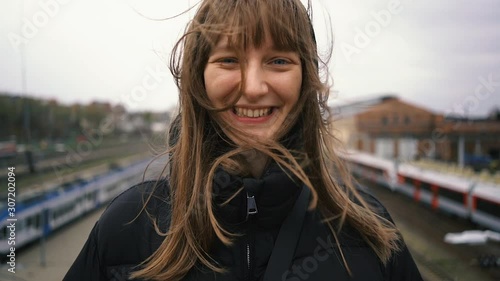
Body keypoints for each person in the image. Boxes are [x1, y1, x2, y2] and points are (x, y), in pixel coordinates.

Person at [64, 0, 423, 280]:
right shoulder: (127, 227)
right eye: (229, 60)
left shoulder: (367, 231)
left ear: (306, 79)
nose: (253, 87)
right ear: (198, 77)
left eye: (279, 60)